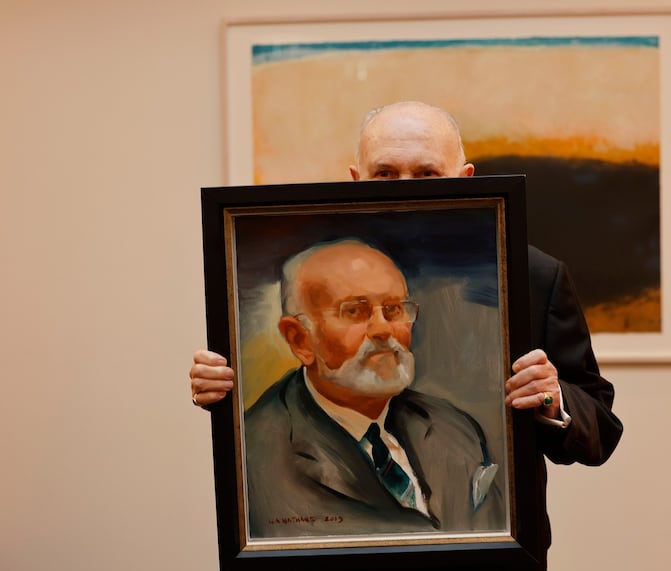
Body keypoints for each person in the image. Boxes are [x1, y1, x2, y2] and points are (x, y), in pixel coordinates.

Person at [189, 101, 623, 568]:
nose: (405, 190)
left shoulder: (533, 275)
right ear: (356, 181)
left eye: (428, 174)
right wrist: (221, 390)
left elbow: (599, 429)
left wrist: (552, 400)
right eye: (385, 174)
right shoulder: (303, 266)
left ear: (466, 177)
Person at [244, 238, 504, 537]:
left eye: (393, 309)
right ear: (300, 339)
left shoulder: (454, 428)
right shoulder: (257, 455)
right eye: (354, 311)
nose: (383, 329)